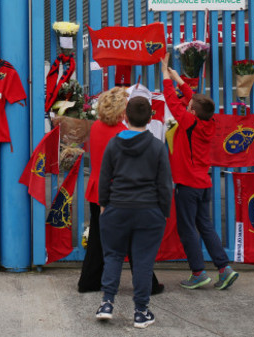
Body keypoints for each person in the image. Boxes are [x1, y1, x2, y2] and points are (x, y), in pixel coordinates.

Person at [160, 53, 239, 290]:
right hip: (203, 184)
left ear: (192, 112)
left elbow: (171, 101)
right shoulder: (209, 121)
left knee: (187, 230)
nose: (188, 104)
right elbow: (191, 98)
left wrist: (165, 75)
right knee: (205, 226)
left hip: (187, 185)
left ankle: (198, 272)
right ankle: (224, 269)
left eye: (190, 106)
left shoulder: (188, 122)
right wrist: (178, 78)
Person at [95, 96, 173, 329]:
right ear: (150, 119)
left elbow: (104, 178)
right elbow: (165, 185)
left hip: (117, 208)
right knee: (143, 262)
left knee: (114, 256)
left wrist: (103, 205)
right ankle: (141, 311)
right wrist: (163, 212)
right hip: (149, 211)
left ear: (125, 117)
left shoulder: (113, 144)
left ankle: (107, 303)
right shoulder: (158, 147)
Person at [78, 87, 164, 295]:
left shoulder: (96, 127)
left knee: (98, 239)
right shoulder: (121, 134)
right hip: (118, 193)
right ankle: (147, 284)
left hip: (97, 190)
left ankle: (88, 281)